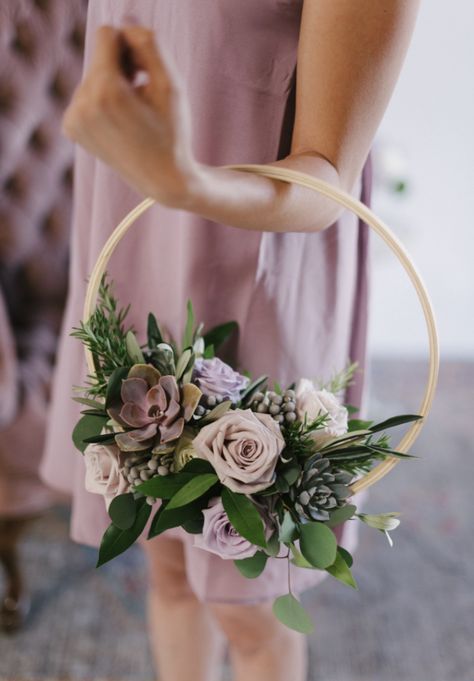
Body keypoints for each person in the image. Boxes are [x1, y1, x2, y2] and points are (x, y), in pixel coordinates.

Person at [40, 2, 420, 680]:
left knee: (250, 604)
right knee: (165, 560)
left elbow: (327, 176)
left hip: (256, 264)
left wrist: (187, 183)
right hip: (130, 241)